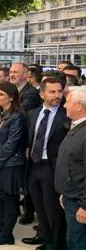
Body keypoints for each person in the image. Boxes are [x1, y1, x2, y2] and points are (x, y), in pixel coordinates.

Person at [23, 77, 68, 250]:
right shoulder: (33, 114)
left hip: (52, 168)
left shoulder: (65, 115)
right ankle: (47, 240)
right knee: (40, 209)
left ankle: (56, 245)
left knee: (54, 212)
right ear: (42, 94)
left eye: (59, 91)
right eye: (52, 92)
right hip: (33, 166)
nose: (57, 95)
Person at [0, 82, 27, 245]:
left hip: (11, 165)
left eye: (1, 94)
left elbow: (12, 143)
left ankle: (7, 233)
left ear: (11, 97)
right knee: (0, 198)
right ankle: (0, 228)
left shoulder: (18, 117)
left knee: (9, 200)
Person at [10, 62, 42, 223]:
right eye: (11, 71)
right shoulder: (11, 90)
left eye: (15, 72)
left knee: (27, 179)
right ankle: (14, 209)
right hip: (12, 140)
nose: (12, 74)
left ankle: (28, 211)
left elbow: (19, 112)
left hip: (26, 142)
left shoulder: (31, 93)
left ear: (25, 75)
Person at [55, 85, 86, 248]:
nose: (64, 105)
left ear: (79, 106)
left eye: (67, 102)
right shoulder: (77, 127)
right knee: (72, 240)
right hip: (71, 197)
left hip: (79, 202)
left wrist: (84, 205)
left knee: (78, 243)